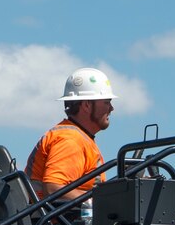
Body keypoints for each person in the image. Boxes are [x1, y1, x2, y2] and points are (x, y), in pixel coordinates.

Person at [26, 67, 117, 198]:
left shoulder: (80, 137)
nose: (111, 108)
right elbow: (53, 189)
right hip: (54, 218)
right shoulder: (71, 140)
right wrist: (102, 201)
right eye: (107, 102)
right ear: (86, 105)